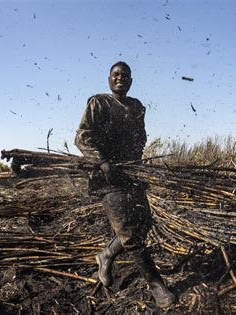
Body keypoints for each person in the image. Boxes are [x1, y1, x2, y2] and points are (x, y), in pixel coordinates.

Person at [75, 62, 175, 308]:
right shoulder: (98, 103)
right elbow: (82, 136)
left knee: (144, 223)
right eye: (116, 75)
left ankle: (107, 254)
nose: (120, 78)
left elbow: (139, 138)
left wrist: (135, 165)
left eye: (125, 76)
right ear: (109, 79)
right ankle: (156, 285)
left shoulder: (137, 107)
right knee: (130, 235)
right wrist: (102, 162)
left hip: (131, 174)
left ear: (131, 81)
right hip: (107, 178)